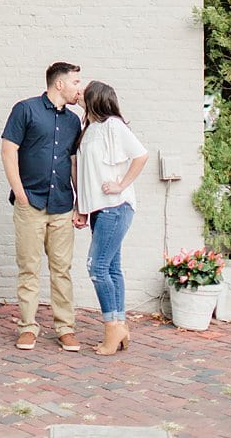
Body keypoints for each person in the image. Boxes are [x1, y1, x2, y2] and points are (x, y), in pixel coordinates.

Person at [0, 61, 85, 352]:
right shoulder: (25, 109)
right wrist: (20, 193)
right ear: (58, 84)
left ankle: (65, 328)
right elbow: (8, 150)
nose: (79, 88)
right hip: (31, 203)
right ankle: (27, 327)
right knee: (29, 268)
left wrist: (80, 204)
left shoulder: (74, 121)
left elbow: (73, 163)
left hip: (62, 205)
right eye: (75, 82)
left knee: (62, 270)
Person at [75, 80, 149, 355]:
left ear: (97, 99)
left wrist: (121, 184)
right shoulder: (90, 129)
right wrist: (81, 207)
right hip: (99, 209)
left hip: (115, 206)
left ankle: (112, 328)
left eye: (86, 92)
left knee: (97, 267)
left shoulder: (114, 126)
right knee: (112, 268)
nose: (81, 94)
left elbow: (141, 156)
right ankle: (119, 325)